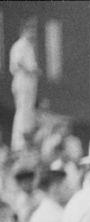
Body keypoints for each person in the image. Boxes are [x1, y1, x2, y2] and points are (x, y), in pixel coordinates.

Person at [9, 18, 40, 153]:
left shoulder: (29, 46)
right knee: (22, 112)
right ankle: (19, 143)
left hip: (30, 83)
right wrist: (31, 69)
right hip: (22, 81)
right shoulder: (20, 45)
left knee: (28, 113)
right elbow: (18, 63)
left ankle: (25, 141)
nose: (33, 33)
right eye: (30, 30)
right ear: (24, 31)